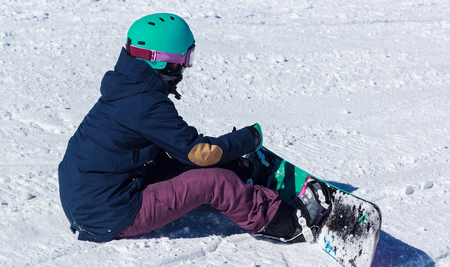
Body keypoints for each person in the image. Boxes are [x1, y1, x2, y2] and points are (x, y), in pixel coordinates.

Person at [58, 13, 330, 244]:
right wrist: (248, 138)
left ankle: (238, 174)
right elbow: (200, 153)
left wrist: (225, 156)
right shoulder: (144, 103)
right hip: (111, 213)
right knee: (213, 182)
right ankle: (287, 223)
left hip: (87, 200)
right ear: (161, 60)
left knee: (173, 153)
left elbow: (179, 145)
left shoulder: (126, 86)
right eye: (183, 60)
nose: (185, 69)